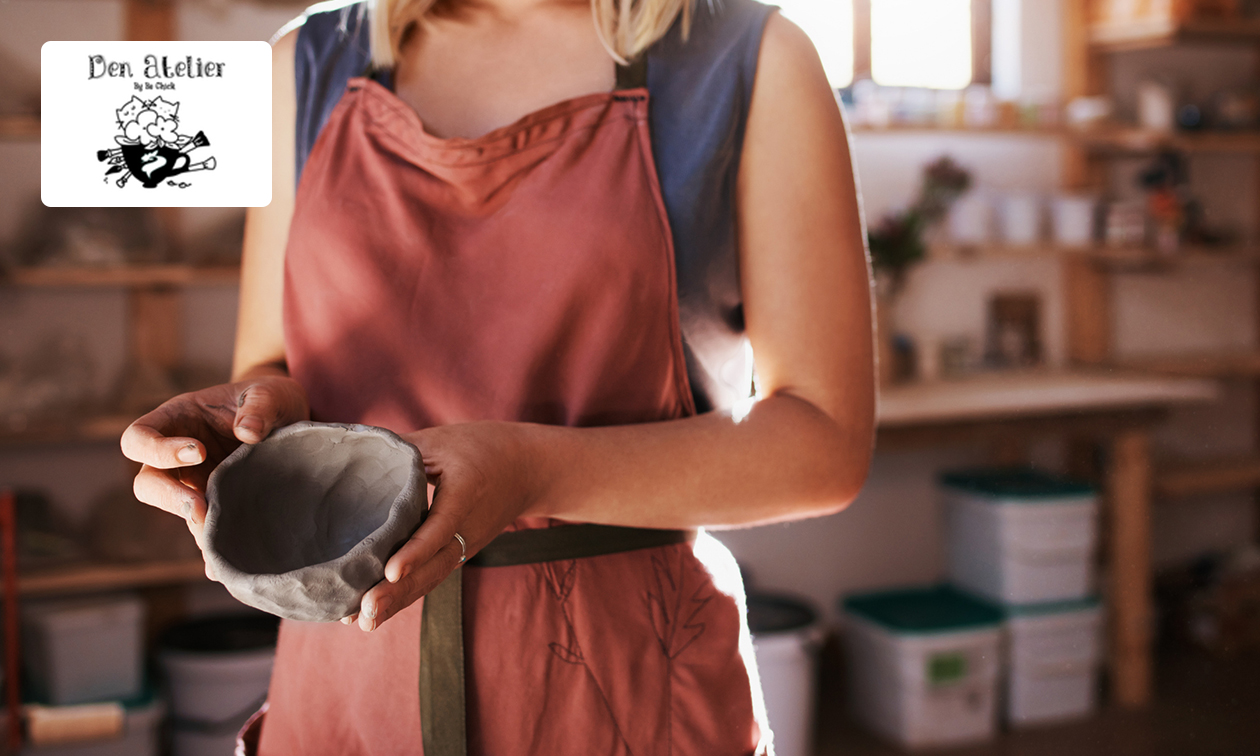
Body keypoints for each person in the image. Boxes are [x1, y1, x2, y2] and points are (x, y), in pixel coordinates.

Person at [121, 0, 874, 752]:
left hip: (623, 684)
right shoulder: (308, 64)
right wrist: (254, 423)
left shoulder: (748, 60)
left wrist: (529, 471)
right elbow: (269, 365)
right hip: (349, 690)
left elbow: (823, 442)